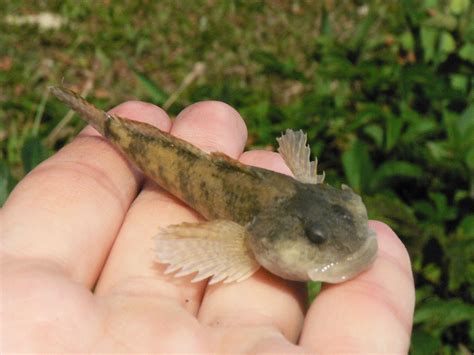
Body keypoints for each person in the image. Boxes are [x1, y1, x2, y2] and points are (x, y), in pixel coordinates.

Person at [0, 99, 415, 353]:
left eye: (352, 215)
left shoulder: (301, 198)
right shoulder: (256, 232)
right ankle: (104, 124)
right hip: (199, 172)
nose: (353, 245)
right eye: (318, 240)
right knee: (131, 133)